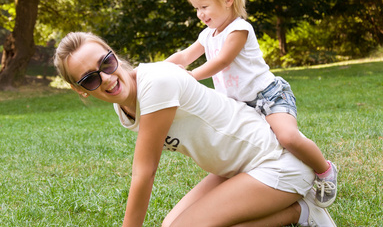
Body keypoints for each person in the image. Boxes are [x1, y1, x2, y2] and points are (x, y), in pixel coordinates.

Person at [54, 31, 336, 226]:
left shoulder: (155, 83)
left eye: (106, 62)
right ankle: (300, 212)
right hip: (236, 169)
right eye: (90, 79)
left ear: (113, 54)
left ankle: (300, 210)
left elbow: (144, 172)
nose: (106, 78)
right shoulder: (125, 105)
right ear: (80, 90)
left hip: (276, 164)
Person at [166, 0, 337, 208]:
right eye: (196, 9)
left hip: (269, 96)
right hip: (241, 106)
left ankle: (325, 171)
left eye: (204, 6)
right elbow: (184, 56)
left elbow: (223, 60)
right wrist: (160, 69)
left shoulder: (239, 29)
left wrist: (190, 77)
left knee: (287, 138)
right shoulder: (206, 34)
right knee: (257, 150)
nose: (200, 14)